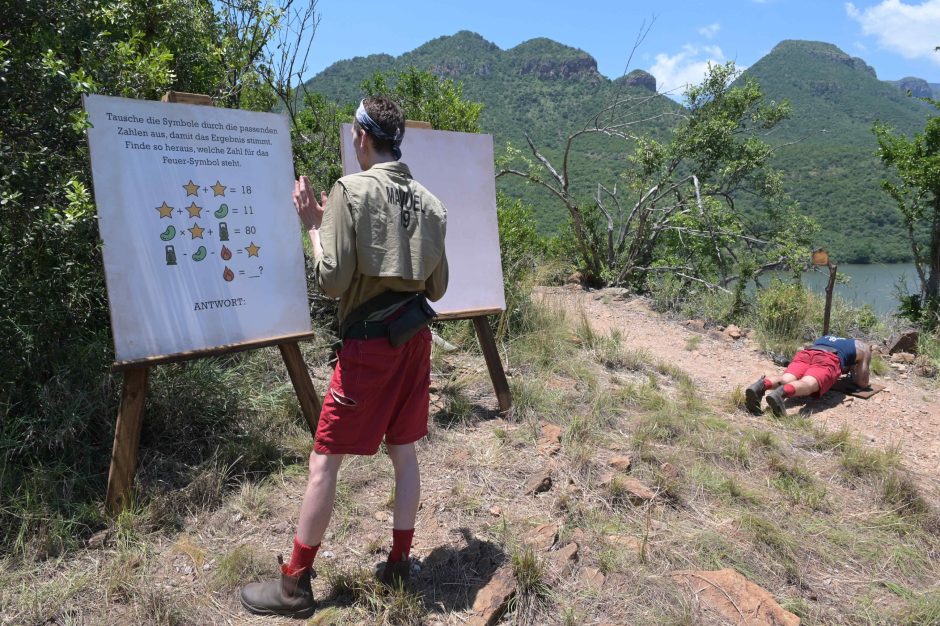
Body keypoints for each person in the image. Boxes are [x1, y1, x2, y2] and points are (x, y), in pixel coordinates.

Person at [240, 96, 448, 618]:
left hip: (368, 350)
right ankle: (400, 563)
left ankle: (294, 585)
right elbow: (438, 288)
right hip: (414, 341)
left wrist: (313, 225)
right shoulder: (432, 203)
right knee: (404, 451)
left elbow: (332, 282)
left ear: (361, 136)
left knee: (324, 460)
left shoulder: (350, 192)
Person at [745, 335, 872, 418]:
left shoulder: (826, 338)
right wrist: (854, 368)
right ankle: (781, 394)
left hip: (807, 353)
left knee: (787, 378)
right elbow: (862, 382)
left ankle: (760, 386)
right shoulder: (863, 348)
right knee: (808, 383)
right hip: (828, 358)